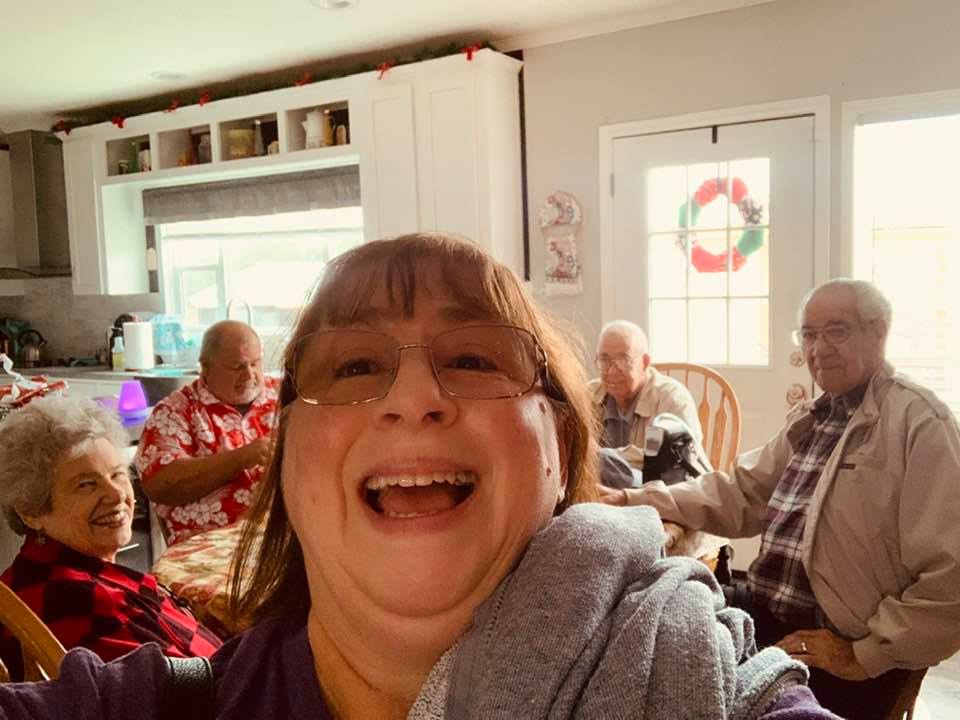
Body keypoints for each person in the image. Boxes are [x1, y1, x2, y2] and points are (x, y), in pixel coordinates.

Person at [0, 234, 836, 719]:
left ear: (559, 443)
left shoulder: (706, 684)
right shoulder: (148, 704)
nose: (412, 398)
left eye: (473, 358)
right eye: (354, 365)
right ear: (287, 460)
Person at [601, 278, 960, 720]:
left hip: (837, 645)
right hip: (768, 614)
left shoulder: (920, 423)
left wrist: (863, 654)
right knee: (646, 609)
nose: (818, 349)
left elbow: (951, 582)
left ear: (879, 332)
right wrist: (634, 498)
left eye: (836, 331)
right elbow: (738, 492)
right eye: (808, 335)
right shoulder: (813, 417)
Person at [0, 396, 222, 680]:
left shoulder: (62, 572)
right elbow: (188, 691)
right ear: (31, 511)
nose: (117, 495)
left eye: (117, 475)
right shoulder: (72, 600)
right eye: (86, 485)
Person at [134, 320, 279, 545]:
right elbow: (159, 485)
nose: (249, 374)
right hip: (208, 546)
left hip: (281, 541)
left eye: (255, 363)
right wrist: (241, 458)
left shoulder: (284, 396)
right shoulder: (175, 411)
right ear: (206, 367)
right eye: (237, 367)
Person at [589, 320, 702, 469]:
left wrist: (602, 455)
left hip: (656, 483)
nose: (611, 371)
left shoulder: (672, 399)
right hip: (601, 483)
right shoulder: (588, 395)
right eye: (604, 360)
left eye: (623, 360)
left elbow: (680, 460)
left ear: (645, 362)